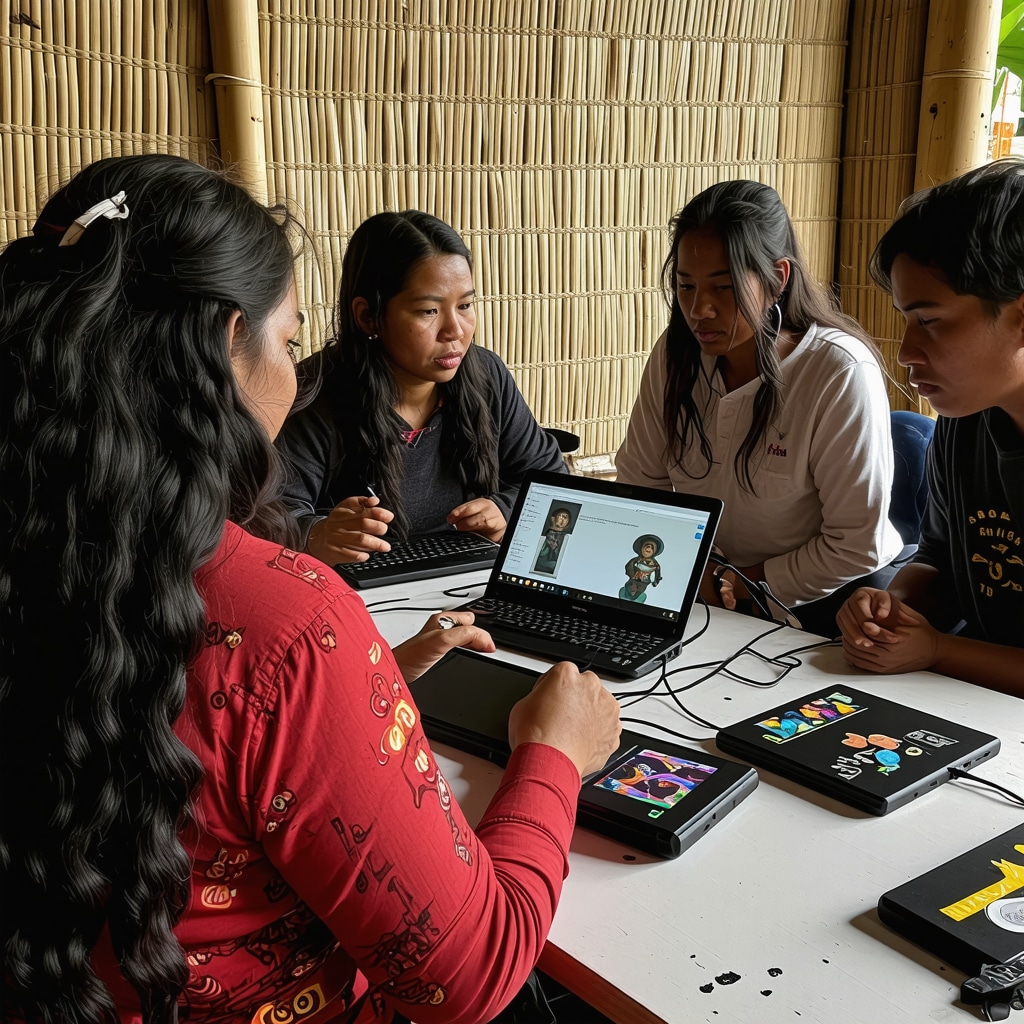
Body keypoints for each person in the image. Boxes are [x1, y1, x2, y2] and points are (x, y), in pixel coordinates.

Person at [0, 154, 621, 1024]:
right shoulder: (285, 620)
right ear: (227, 343)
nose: (453, 330)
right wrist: (553, 752)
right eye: (287, 343)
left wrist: (360, 690)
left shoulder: (41, 559)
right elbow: (470, 976)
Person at [615, 180, 903, 634]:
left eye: (724, 287)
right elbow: (640, 484)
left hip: (826, 606)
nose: (699, 309)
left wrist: (743, 582)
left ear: (778, 279)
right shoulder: (676, 356)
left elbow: (856, 542)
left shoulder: (837, 371)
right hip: (704, 590)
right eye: (686, 285)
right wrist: (703, 574)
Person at [275, 210, 565, 566]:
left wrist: (505, 508)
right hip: (355, 589)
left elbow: (550, 481)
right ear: (368, 316)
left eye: (465, 305)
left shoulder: (486, 376)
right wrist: (316, 533)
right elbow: (267, 514)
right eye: (429, 311)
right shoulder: (313, 393)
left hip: (465, 583)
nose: (455, 330)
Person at [837, 158, 1024, 698]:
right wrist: (891, 610)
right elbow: (940, 556)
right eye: (906, 319)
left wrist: (939, 650)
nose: (905, 352)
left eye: (931, 321)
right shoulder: (966, 423)